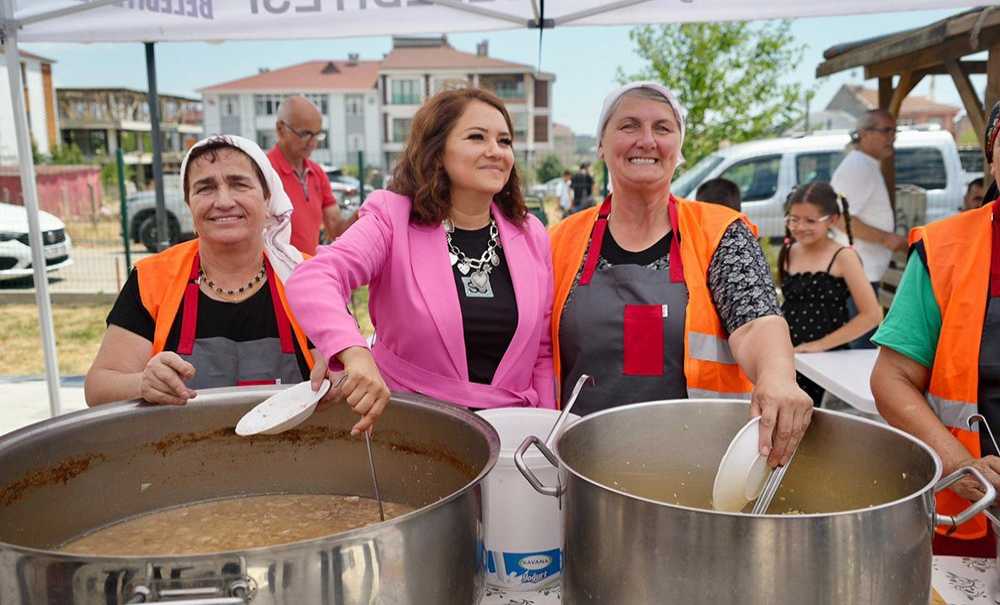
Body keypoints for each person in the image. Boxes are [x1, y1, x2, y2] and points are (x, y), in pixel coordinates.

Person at [549, 82, 812, 468]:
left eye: (662, 128)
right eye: (628, 126)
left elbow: (756, 322)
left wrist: (777, 377)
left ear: (679, 148)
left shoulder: (721, 232)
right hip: (583, 465)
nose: (646, 140)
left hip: (701, 464)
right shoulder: (560, 240)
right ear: (601, 145)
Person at [286, 88, 556, 436]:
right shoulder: (391, 219)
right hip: (415, 431)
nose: (495, 151)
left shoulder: (531, 233)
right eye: (477, 137)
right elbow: (315, 278)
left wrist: (548, 428)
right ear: (437, 151)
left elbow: (541, 354)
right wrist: (354, 353)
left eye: (504, 141)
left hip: (514, 439)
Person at [85, 135, 333, 406]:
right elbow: (99, 388)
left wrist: (339, 373)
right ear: (189, 204)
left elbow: (351, 370)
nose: (224, 201)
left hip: (299, 445)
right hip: (178, 446)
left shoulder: (309, 279)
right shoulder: (152, 279)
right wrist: (142, 383)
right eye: (205, 188)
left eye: (239, 184)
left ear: (267, 198)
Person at [870, 100, 1000, 557]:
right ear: (991, 155)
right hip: (979, 517)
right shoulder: (947, 251)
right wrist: (962, 468)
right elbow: (892, 379)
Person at [778, 182, 882, 406]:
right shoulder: (789, 252)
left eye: (810, 221)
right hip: (789, 355)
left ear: (833, 220)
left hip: (828, 359)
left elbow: (872, 314)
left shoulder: (844, 257)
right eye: (794, 219)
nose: (800, 226)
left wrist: (820, 345)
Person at [831, 109, 908, 349]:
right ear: (863, 134)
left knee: (861, 347)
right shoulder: (858, 166)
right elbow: (840, 218)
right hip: (861, 274)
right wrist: (887, 238)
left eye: (895, 130)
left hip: (865, 272)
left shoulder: (864, 164)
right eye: (886, 130)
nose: (892, 137)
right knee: (861, 350)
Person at [268, 95, 354, 255]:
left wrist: (362, 213)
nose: (313, 142)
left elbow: (336, 229)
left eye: (317, 134)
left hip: (306, 272)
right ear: (281, 129)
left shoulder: (317, 173)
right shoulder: (264, 172)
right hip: (275, 275)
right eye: (305, 134)